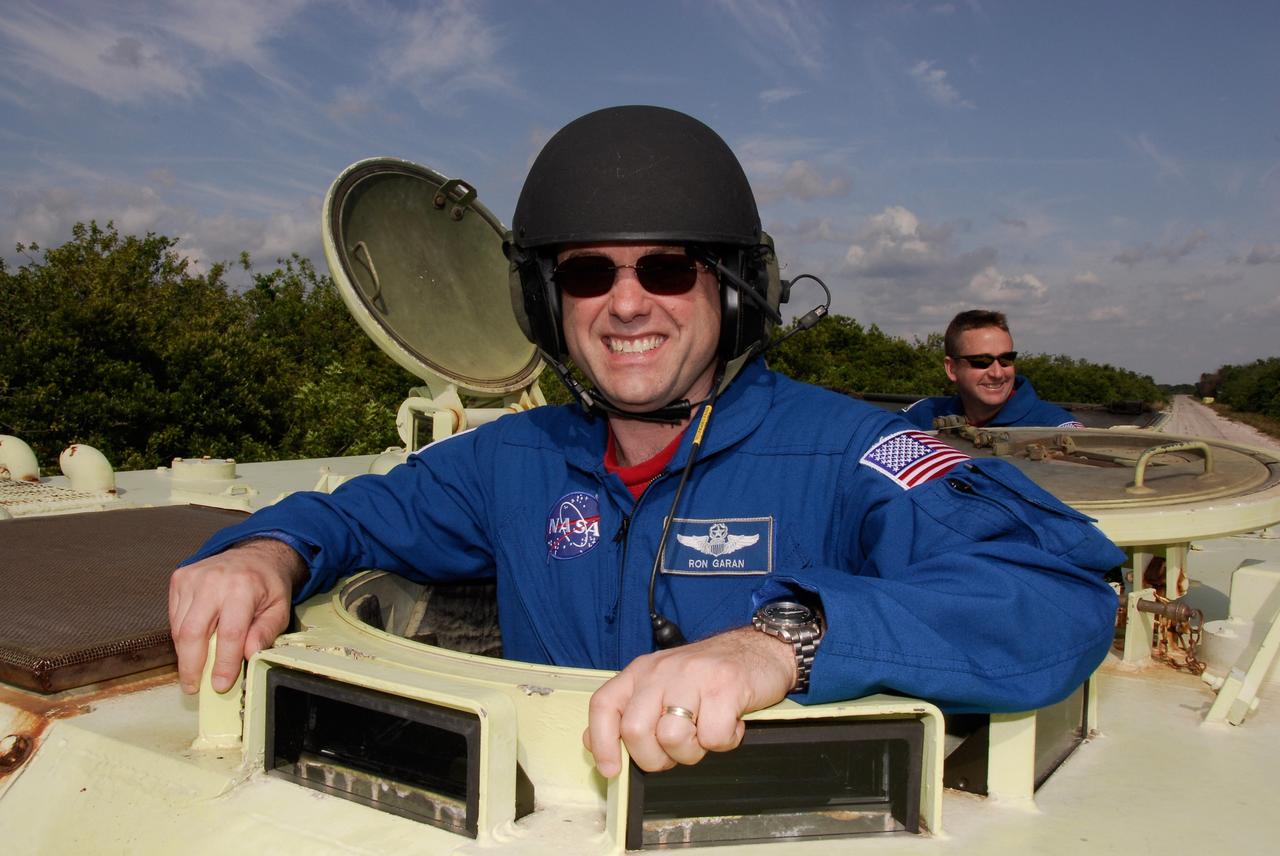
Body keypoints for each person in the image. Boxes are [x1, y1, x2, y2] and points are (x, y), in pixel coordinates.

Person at [169, 106, 1123, 780]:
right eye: (587, 273)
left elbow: (1058, 591)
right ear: (548, 302)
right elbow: (356, 517)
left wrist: (783, 643)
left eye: (666, 266)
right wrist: (266, 552)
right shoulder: (515, 459)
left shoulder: (850, 449)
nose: (627, 303)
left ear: (732, 290)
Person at [900, 309, 1085, 430]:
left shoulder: (1055, 428)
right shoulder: (922, 415)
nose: (997, 373)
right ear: (951, 369)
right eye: (981, 361)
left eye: (1006, 359)